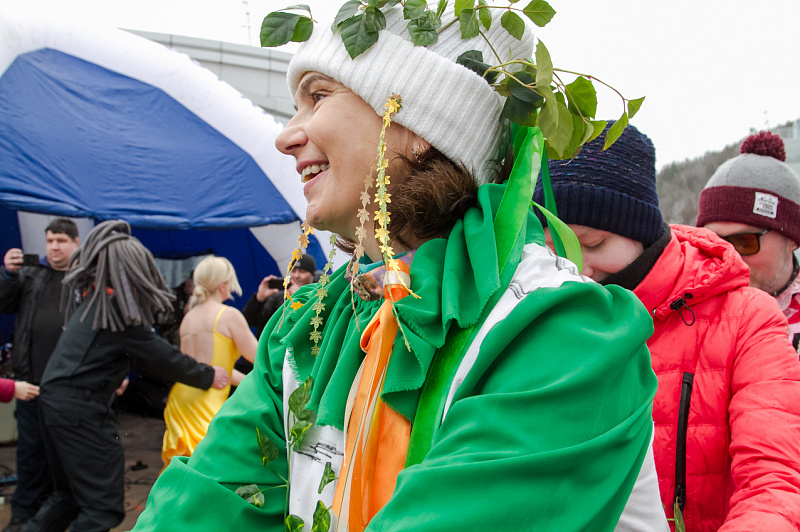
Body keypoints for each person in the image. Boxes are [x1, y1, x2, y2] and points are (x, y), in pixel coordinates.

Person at [133, 6, 667, 531]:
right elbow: (204, 504)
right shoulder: (306, 328)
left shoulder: (560, 335)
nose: (286, 136)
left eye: (318, 96)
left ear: (418, 125)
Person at [534, 123, 800, 530]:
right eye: (557, 250)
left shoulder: (749, 320)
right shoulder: (542, 316)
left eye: (594, 244)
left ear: (641, 233)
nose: (578, 269)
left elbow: (774, 480)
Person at [22, 220, 230, 532]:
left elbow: (101, 354)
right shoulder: (118, 313)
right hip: (80, 411)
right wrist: (207, 374)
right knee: (101, 510)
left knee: (67, 497)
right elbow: (160, 357)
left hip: (57, 403)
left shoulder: (95, 305)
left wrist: (110, 374)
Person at [0, 218, 79, 532]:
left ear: (75, 243)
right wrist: (8, 273)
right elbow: (4, 304)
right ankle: (23, 513)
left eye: (61, 240)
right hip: (31, 384)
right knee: (30, 453)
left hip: (71, 386)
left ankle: (62, 511)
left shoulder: (84, 278)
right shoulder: (31, 274)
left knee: (66, 452)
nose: (54, 247)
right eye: (49, 241)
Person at [696, 131, 800, 352]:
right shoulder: (682, 315)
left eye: (744, 242)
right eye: (713, 244)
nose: (729, 260)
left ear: (791, 237)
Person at [161, 256, 258, 469]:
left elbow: (211, 368)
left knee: (183, 470)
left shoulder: (188, 317)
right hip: (207, 401)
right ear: (223, 285)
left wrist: (245, 381)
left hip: (181, 400)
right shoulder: (228, 315)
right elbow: (259, 357)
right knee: (212, 469)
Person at [241, 253, 317, 338]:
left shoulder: (320, 296)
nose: (296, 276)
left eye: (302, 272)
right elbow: (249, 322)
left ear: (312, 275)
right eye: (293, 271)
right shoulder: (278, 298)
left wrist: (299, 298)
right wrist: (259, 299)